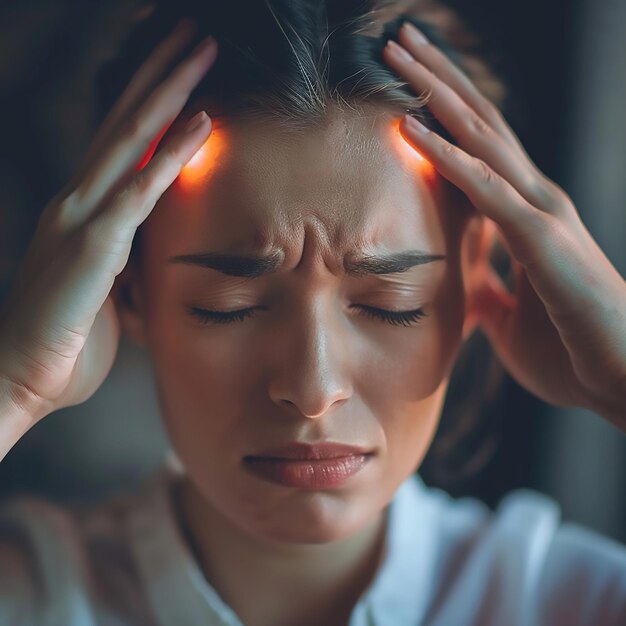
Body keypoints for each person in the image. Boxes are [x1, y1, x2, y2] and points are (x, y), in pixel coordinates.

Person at [0, 0, 625, 624]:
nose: (312, 389)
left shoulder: (565, 600)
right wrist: (17, 385)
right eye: (230, 306)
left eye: (391, 304)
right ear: (128, 291)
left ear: (472, 285)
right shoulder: (31, 592)